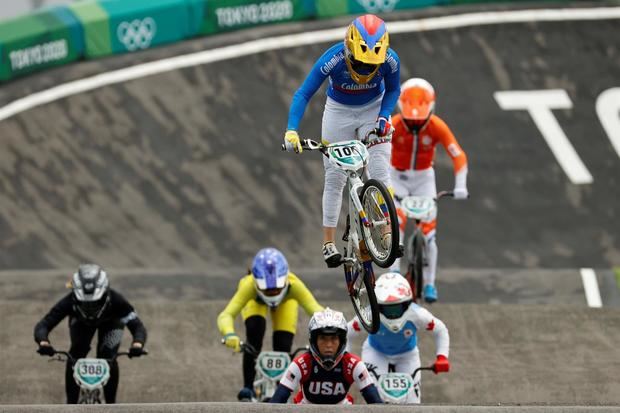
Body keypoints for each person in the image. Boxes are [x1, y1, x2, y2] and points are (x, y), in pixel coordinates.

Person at [282, 14, 401, 268]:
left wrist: (383, 116)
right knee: (334, 176)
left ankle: (387, 232)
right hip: (339, 112)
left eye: (373, 66)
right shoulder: (332, 59)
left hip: (374, 109)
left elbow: (393, 89)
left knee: (381, 169)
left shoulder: (390, 61)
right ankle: (328, 242)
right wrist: (292, 130)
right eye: (360, 63)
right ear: (349, 50)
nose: (366, 71)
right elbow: (303, 93)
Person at [389, 77, 469, 302]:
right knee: (396, 226)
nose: (415, 126)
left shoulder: (437, 127)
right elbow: (376, 147)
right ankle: (393, 272)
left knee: (430, 236)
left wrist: (460, 185)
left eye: (420, 121)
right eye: (410, 121)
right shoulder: (393, 124)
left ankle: (431, 283)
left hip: (424, 180)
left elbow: (458, 155)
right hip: (397, 177)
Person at [217, 247, 324, 401]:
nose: (273, 294)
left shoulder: (295, 285)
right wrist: (229, 335)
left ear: (285, 280)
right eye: (268, 291)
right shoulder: (249, 286)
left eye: (276, 289)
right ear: (256, 283)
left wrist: (332, 326)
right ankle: (248, 387)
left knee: (283, 344)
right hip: (255, 302)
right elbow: (226, 314)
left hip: (286, 304)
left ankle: (281, 389)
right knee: (254, 334)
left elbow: (317, 311)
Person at [34, 264, 147, 404]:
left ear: (105, 295)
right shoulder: (69, 301)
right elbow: (44, 325)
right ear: (75, 297)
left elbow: (137, 326)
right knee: (76, 354)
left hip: (111, 323)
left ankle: (112, 405)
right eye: (85, 304)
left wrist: (137, 343)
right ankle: (71, 405)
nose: (90, 308)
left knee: (108, 356)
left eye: (95, 303)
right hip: (81, 323)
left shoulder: (117, 301)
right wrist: (43, 342)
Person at [346, 272, 449, 403]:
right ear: (378, 306)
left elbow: (440, 329)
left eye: (397, 307)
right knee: (374, 399)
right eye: (389, 309)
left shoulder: (417, 314)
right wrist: (346, 360)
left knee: (413, 401)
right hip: (376, 353)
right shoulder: (370, 314)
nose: (393, 314)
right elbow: (347, 332)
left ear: (407, 304)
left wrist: (442, 357)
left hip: (407, 355)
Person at [270, 307, 382, 404]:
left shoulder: (353, 364)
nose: (329, 345)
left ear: (341, 341)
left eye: (333, 338)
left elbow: (375, 402)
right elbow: (277, 401)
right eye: (323, 338)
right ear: (314, 340)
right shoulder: (301, 363)